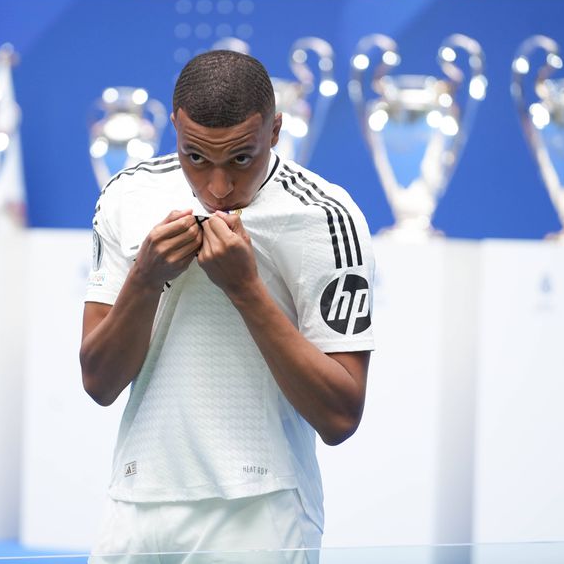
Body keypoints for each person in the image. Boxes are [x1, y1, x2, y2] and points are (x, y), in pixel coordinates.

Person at [80, 50, 374, 562]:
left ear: (275, 131)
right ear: (175, 127)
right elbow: (98, 383)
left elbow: (340, 415)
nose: (218, 188)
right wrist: (145, 279)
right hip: (134, 504)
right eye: (196, 157)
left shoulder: (325, 217)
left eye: (241, 158)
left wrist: (246, 290)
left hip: (262, 511)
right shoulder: (127, 195)